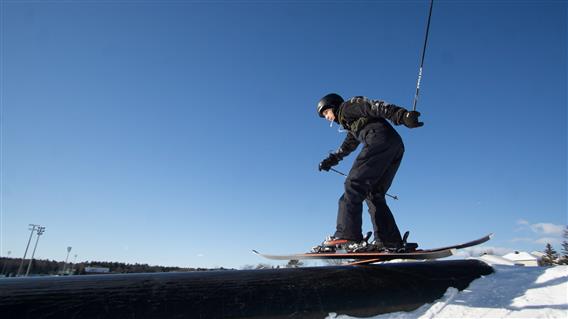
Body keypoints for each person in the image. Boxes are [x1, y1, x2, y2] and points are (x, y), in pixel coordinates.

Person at [315, 93, 423, 252]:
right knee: (374, 193)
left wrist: (402, 116)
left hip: (378, 140)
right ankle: (389, 241)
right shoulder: (350, 123)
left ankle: (347, 235)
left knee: (353, 184)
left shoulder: (348, 107)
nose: (326, 117)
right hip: (394, 145)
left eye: (326, 112)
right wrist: (331, 160)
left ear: (333, 105)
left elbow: (375, 106)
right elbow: (348, 146)